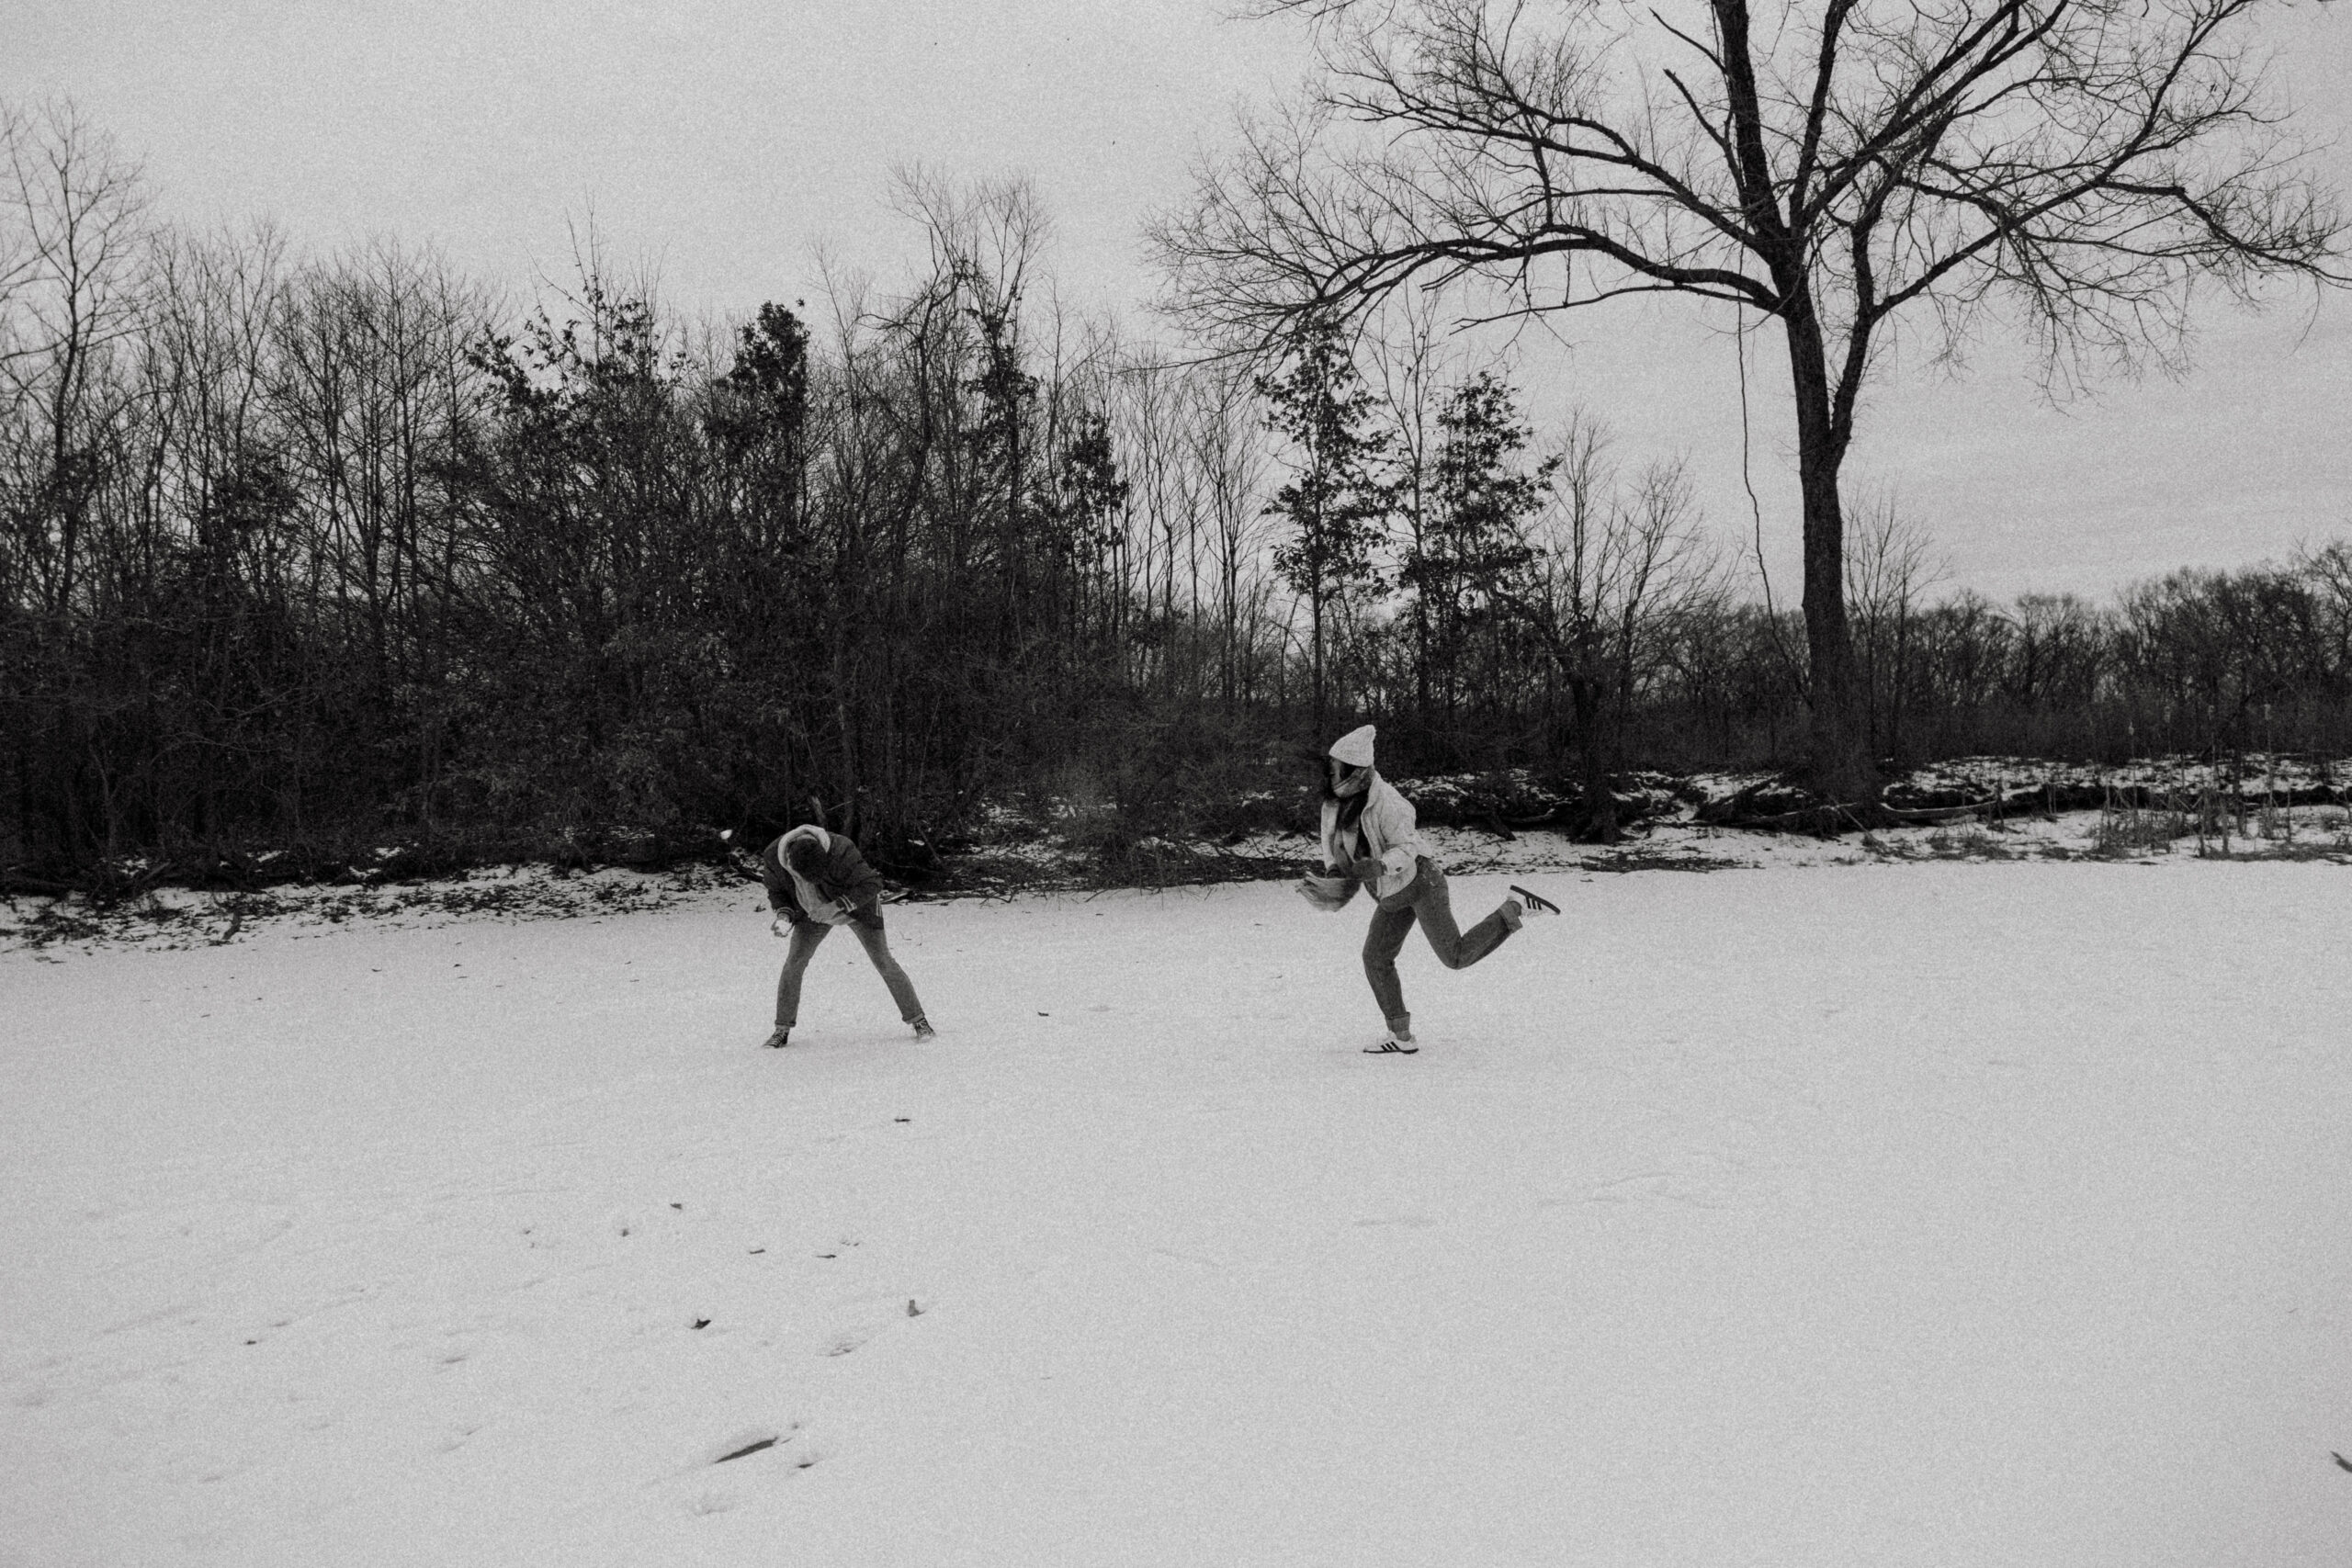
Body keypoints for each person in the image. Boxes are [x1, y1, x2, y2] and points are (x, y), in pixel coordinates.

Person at [1298, 724, 1557, 1054]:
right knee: (1376, 958)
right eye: (1329, 768)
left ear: (1353, 771)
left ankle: (1515, 907)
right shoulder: (1332, 804)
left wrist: (1378, 866)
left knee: (1456, 956)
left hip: (1420, 882)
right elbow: (1329, 847)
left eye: (1334, 770)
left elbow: (1408, 847)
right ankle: (1401, 1037)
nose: (1329, 776)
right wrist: (1333, 875)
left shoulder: (1388, 802)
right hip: (1390, 893)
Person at [758, 823, 933, 1049]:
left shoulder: (841, 849)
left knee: (884, 962)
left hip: (858, 908)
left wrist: (836, 906)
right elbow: (777, 892)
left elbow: (871, 884)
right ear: (791, 864)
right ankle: (781, 1030)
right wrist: (784, 915)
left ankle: (919, 1021)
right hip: (812, 913)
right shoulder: (773, 856)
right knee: (794, 963)